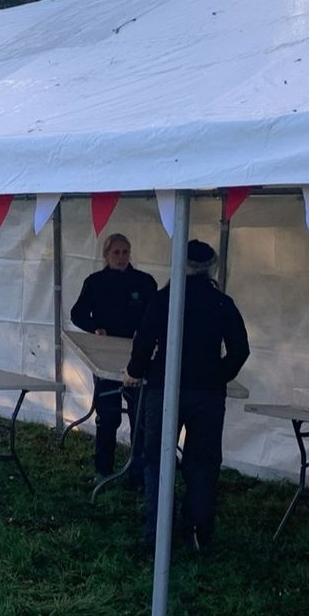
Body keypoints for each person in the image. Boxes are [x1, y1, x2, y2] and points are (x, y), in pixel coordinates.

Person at [125, 239, 250, 556]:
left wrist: (135, 372)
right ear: (212, 267)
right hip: (207, 393)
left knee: (157, 459)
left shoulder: (165, 298)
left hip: (165, 387)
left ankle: (155, 534)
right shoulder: (222, 302)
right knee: (203, 463)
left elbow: (144, 342)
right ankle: (197, 532)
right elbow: (240, 351)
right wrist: (217, 375)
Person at [69, 233, 158, 483]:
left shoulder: (144, 282)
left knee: (139, 416)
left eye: (125, 252)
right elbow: (77, 314)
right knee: (108, 416)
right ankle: (102, 469)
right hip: (105, 358)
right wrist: (95, 327)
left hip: (138, 358)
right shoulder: (95, 281)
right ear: (106, 256)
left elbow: (156, 316)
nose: (121, 257)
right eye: (116, 253)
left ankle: (138, 473)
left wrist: (146, 334)